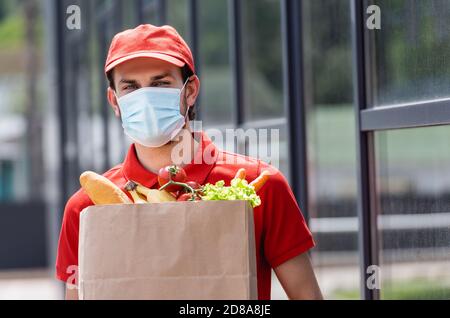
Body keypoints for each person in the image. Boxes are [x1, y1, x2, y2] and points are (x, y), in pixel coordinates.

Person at [55, 24, 323, 300]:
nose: (145, 98)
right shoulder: (86, 208)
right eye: (130, 87)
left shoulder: (259, 185)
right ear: (114, 100)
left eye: (160, 84)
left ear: (190, 90)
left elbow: (307, 296)